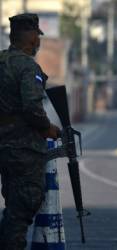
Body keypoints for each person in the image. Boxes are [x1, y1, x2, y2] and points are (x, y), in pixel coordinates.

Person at [0, 13, 60, 250]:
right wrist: (48, 128)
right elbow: (33, 108)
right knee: (22, 206)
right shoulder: (27, 67)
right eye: (37, 36)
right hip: (21, 148)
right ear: (33, 38)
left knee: (13, 207)